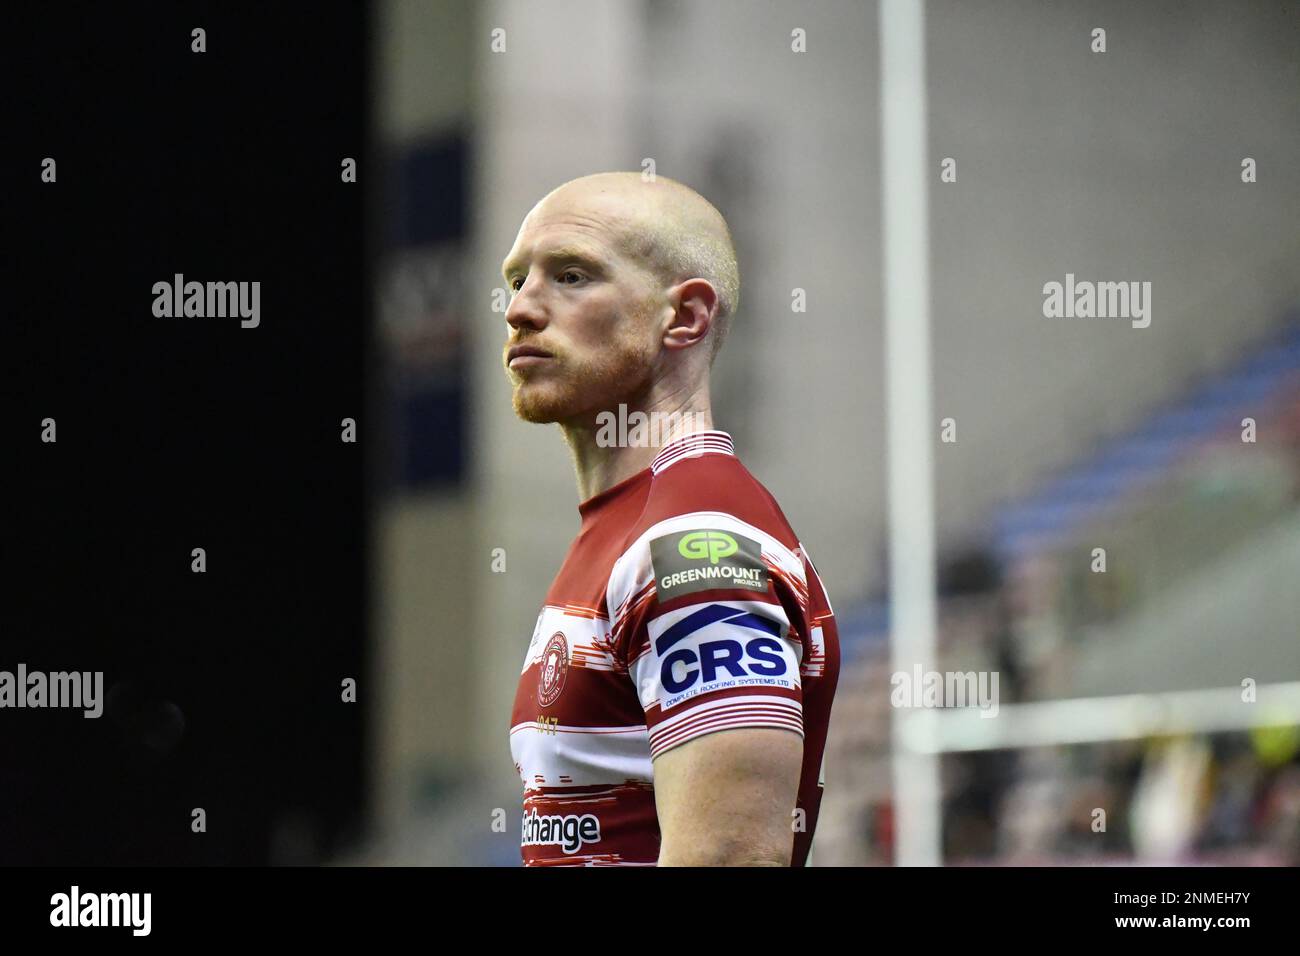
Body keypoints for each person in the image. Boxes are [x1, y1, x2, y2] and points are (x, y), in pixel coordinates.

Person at [501, 171, 840, 866]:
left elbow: (732, 856)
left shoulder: (694, 540)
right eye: (516, 280)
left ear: (684, 317)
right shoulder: (628, 526)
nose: (520, 309)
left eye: (570, 276)